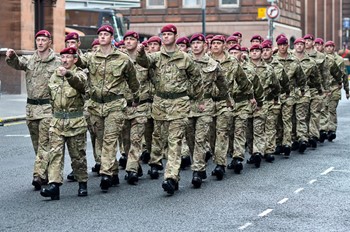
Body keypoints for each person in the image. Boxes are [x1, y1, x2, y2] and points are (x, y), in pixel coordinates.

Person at [136, 24, 203, 195]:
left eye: (168, 34)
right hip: (160, 104)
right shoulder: (155, 57)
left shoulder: (185, 58)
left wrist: (197, 99)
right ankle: (162, 167)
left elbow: (196, 78)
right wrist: (141, 52)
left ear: (175, 36)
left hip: (179, 104)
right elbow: (143, 62)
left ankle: (171, 177)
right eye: (163, 34)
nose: (165, 37)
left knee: (175, 141)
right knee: (160, 139)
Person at [76, 25, 140, 192]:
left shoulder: (123, 58)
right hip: (96, 106)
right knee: (101, 139)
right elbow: (79, 62)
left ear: (112, 37)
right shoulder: (91, 57)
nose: (103, 36)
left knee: (110, 140)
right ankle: (113, 171)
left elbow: (133, 81)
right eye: (101, 34)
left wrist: (135, 98)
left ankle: (105, 174)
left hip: (115, 106)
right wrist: (74, 51)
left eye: (106, 34)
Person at [6, 30, 61, 190]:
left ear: (50, 41)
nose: (41, 42)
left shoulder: (56, 62)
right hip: (31, 109)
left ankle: (38, 175)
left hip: (47, 109)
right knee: (37, 145)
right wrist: (12, 56)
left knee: (44, 143)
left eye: (44, 40)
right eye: (38, 40)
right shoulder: (30, 60)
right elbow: (17, 64)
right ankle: (48, 172)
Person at [40, 47, 88, 200]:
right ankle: (54, 185)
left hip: (75, 122)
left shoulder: (81, 74)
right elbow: (50, 95)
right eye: (63, 57)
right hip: (57, 122)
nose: (65, 60)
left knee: (78, 156)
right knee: (55, 155)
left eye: (69, 57)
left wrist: (68, 74)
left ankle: (82, 183)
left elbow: (80, 85)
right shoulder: (55, 75)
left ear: (75, 59)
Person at [188, 33, 229, 188]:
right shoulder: (185, 62)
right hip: (188, 104)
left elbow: (222, 84)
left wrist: (227, 100)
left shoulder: (213, 64)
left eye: (199, 43)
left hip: (206, 104)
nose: (196, 46)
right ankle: (198, 163)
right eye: (194, 43)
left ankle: (197, 170)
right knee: (190, 137)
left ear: (205, 45)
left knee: (201, 137)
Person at [209, 35, 253, 178]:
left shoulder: (232, 62)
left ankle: (220, 164)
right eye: (213, 43)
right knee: (211, 135)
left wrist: (251, 97)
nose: (215, 45)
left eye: (219, 43)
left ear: (224, 46)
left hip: (225, 102)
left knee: (223, 132)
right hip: (208, 102)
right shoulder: (205, 61)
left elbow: (243, 81)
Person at [122, 31, 153, 184]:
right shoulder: (119, 59)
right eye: (126, 39)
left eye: (132, 39)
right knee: (126, 140)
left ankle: (132, 170)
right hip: (123, 105)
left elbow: (154, 79)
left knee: (136, 138)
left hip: (141, 106)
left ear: (137, 41)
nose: (128, 42)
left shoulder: (145, 60)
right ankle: (135, 163)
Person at [246, 44, 280, 167]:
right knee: (248, 131)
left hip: (262, 103)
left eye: (257, 51)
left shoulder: (268, 69)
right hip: (246, 103)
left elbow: (276, 85)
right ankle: (252, 151)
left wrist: (275, 97)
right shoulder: (243, 67)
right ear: (249, 53)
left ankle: (258, 153)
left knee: (259, 129)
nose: (254, 53)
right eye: (252, 51)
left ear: (261, 53)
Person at [274, 37, 306, 157]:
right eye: (280, 45)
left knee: (286, 119)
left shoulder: (294, 60)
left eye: (284, 45)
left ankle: (287, 143)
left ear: (288, 45)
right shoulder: (273, 60)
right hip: (275, 95)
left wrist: (301, 89)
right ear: (277, 46)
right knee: (277, 120)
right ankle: (278, 143)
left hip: (289, 94)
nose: (282, 47)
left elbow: (301, 77)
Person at [293, 38, 322, 153]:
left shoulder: (310, 61)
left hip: (303, 92)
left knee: (301, 117)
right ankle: (292, 139)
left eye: (302, 44)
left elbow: (316, 78)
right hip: (288, 93)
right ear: (294, 46)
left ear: (305, 46)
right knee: (290, 118)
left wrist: (319, 91)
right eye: (297, 44)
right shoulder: (288, 59)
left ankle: (302, 139)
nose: (299, 46)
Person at [324, 40, 349, 140]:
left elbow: (344, 75)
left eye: (331, 46)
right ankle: (324, 129)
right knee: (324, 109)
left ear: (334, 48)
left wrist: (347, 90)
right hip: (324, 89)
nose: (329, 48)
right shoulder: (322, 58)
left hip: (335, 88)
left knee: (332, 109)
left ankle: (332, 130)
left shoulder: (339, 60)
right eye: (327, 46)